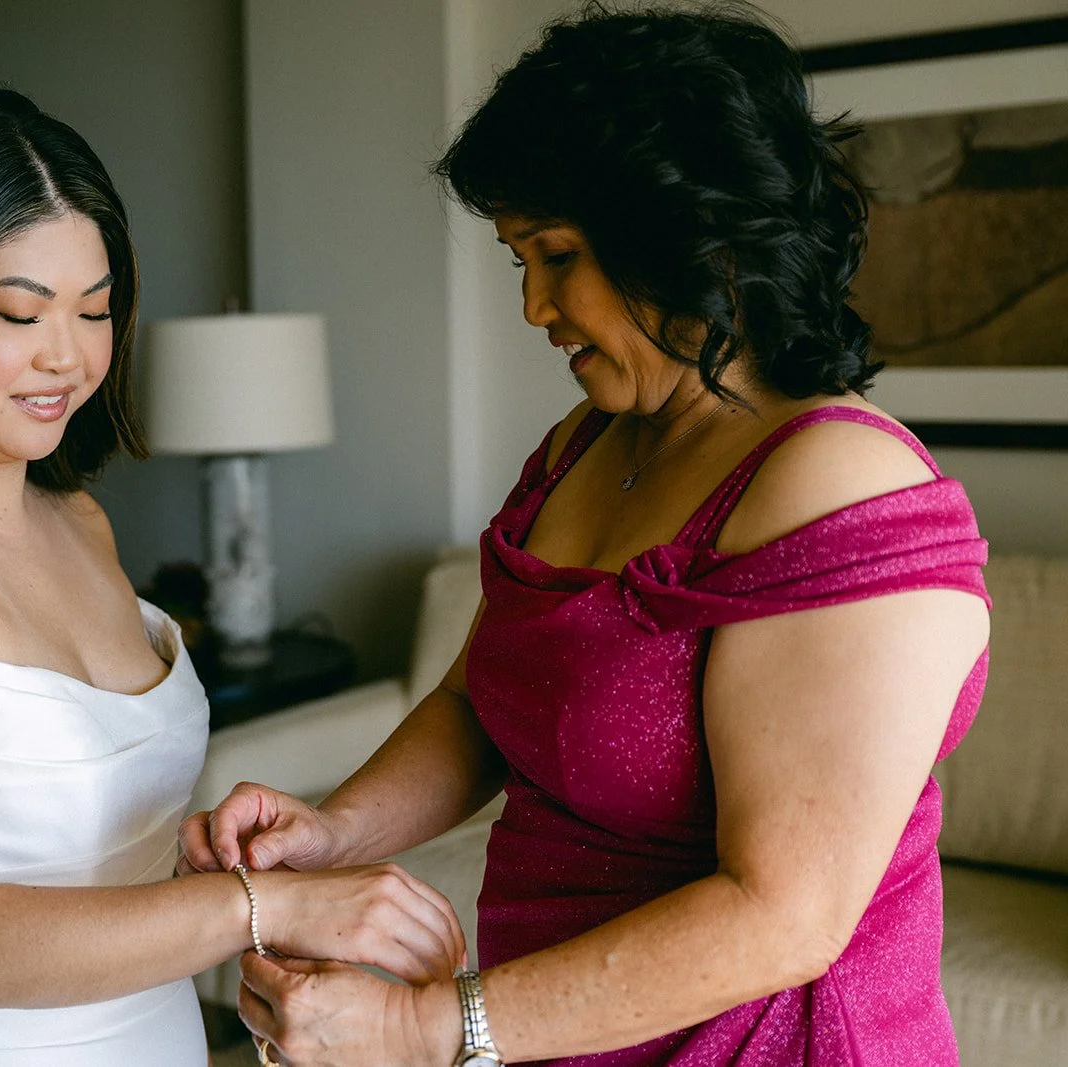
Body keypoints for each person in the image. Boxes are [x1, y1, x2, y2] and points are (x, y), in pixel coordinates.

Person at [179, 6, 991, 1065]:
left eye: (556, 254)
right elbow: (481, 700)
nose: (532, 305)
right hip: (551, 1032)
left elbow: (783, 914)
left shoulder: (836, 483)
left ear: (687, 234)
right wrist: (334, 831)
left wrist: (425, 1026)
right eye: (519, 257)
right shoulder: (588, 441)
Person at [0, 84, 464, 1067]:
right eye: (20, 312)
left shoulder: (79, 521)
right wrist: (260, 904)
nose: (66, 355)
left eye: (95, 310)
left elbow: (97, 842)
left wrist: (213, 855)